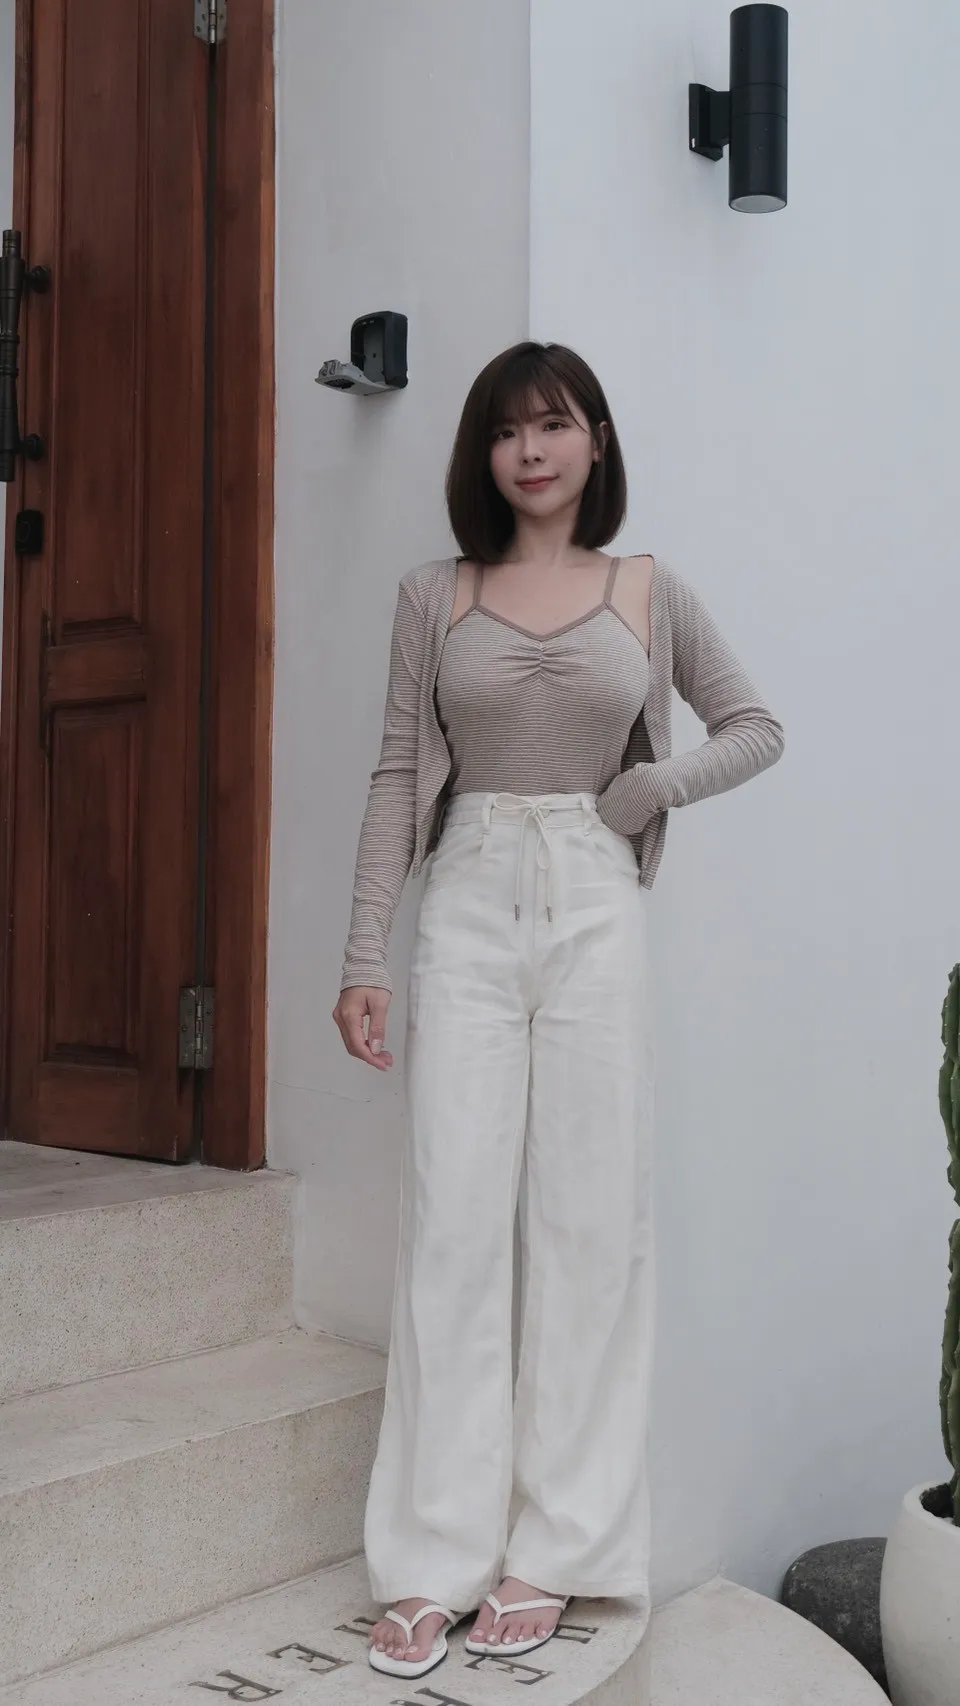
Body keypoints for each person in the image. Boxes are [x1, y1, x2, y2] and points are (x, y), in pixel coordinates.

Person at [332, 340, 785, 1681]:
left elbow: (753, 724)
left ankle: (558, 1545)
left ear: (595, 440)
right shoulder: (436, 593)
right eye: (505, 430)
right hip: (469, 896)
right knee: (453, 1224)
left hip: (593, 900)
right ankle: (433, 1556)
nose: (529, 450)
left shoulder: (647, 588)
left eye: (554, 423)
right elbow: (399, 770)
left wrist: (648, 792)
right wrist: (363, 953)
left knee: (589, 1223)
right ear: (482, 455)